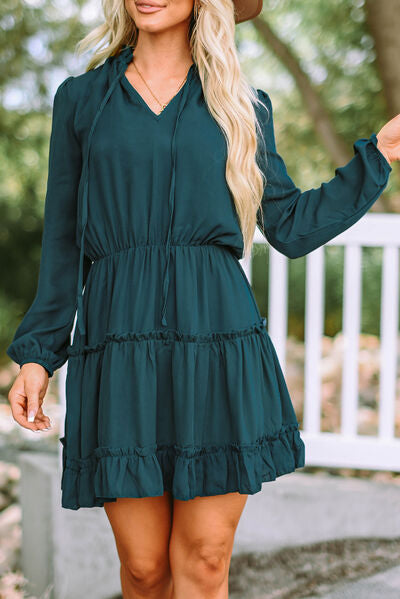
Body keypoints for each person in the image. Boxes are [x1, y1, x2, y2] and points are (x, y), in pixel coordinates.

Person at [6, 0, 399, 596]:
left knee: (207, 559)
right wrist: (38, 353)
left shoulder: (241, 104)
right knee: (144, 569)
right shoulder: (82, 100)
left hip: (217, 337)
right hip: (120, 343)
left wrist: (380, 155)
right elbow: (63, 236)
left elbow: (289, 226)